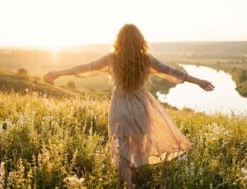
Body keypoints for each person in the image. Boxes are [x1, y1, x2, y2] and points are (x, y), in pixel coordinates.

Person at [43, 24, 214, 189]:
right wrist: (198, 81)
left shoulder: (112, 58)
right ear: (140, 40)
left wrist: (58, 73)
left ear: (119, 40)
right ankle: (135, 173)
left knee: (121, 146)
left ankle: (128, 183)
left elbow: (83, 67)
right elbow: (172, 72)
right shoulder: (146, 59)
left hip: (120, 106)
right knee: (140, 142)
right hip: (141, 105)